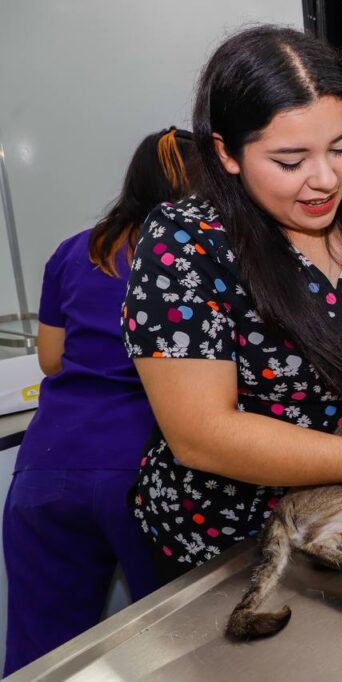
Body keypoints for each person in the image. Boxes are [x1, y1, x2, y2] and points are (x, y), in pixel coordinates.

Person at [121, 26, 342, 581]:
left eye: (341, 147)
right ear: (228, 152)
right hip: (230, 544)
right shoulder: (186, 242)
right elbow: (203, 433)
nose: (325, 179)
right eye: (290, 160)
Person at [3, 128, 196, 676]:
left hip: (48, 467)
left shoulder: (76, 249)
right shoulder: (195, 258)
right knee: (176, 644)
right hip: (146, 471)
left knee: (44, 659)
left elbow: (51, 358)